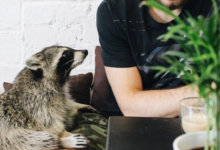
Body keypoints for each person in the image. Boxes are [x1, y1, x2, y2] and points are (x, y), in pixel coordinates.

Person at [71, 0, 214, 150]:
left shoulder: (214, 8)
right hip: (119, 123)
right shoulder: (115, 10)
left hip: (199, 123)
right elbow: (131, 106)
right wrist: (206, 91)